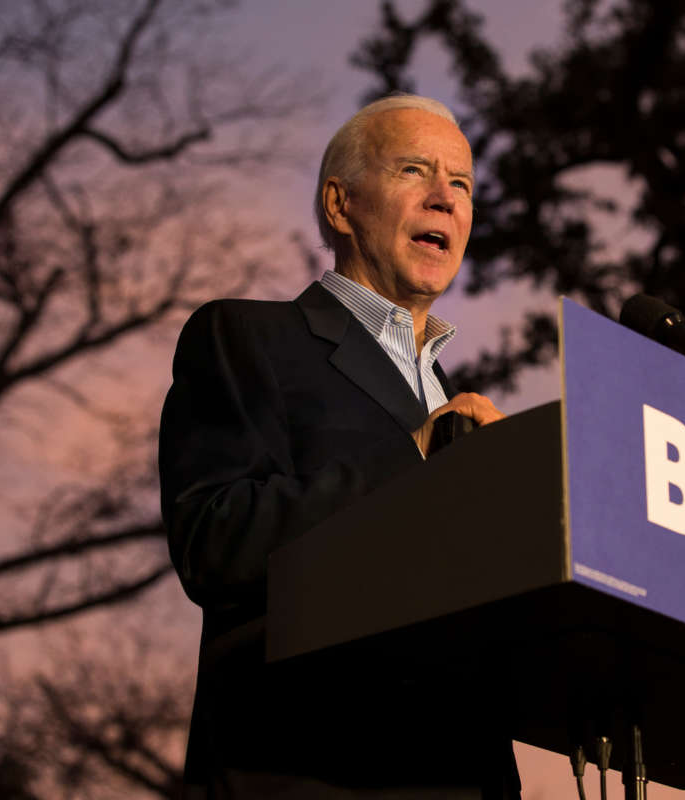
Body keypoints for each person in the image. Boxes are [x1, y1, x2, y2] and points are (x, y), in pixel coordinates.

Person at [159, 94, 517, 799]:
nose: (445, 199)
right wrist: (412, 460)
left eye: (463, 185)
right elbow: (214, 539)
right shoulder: (247, 339)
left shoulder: (463, 412)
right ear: (340, 204)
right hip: (309, 773)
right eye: (416, 170)